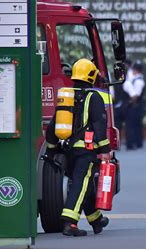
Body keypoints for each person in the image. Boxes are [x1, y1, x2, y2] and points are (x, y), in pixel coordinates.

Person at [45, 59, 111, 236]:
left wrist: (51, 150)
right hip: (86, 151)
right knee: (80, 184)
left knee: (85, 184)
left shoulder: (66, 95)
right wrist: (105, 150)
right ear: (91, 76)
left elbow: (53, 125)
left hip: (67, 150)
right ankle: (69, 223)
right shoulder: (93, 97)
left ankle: (96, 220)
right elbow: (99, 125)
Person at [123, 61, 145, 150]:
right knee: (135, 125)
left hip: (135, 106)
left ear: (136, 70)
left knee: (132, 125)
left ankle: (133, 143)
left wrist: (130, 103)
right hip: (135, 106)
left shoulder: (138, 81)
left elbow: (136, 96)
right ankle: (136, 142)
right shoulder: (136, 79)